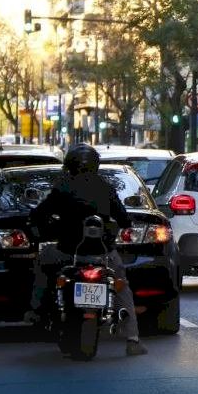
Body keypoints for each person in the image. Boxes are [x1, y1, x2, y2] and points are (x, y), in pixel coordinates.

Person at [28, 143, 147, 356]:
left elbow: (38, 214)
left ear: (69, 165)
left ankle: (36, 309)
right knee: (121, 286)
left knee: (42, 262)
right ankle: (133, 339)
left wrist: (43, 229)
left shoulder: (62, 186)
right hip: (104, 254)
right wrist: (119, 224)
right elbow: (123, 218)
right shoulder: (105, 187)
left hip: (67, 252)